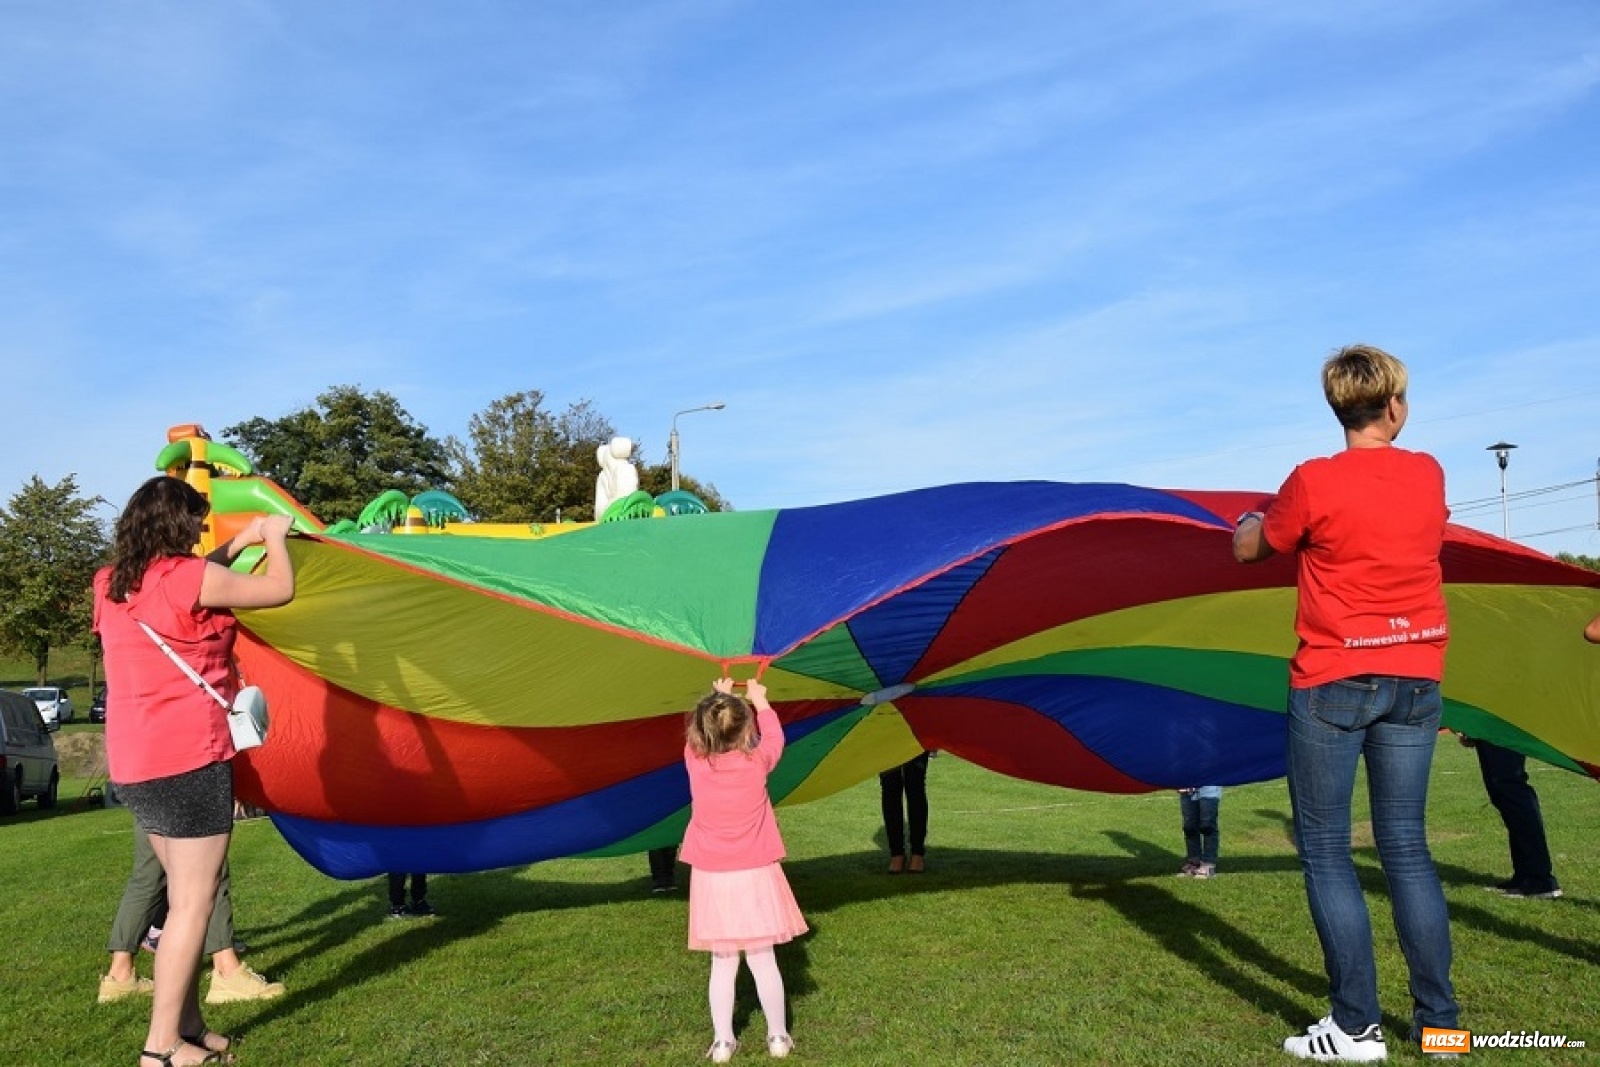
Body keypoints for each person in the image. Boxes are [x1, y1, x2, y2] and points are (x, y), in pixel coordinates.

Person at [1234, 344, 1458, 1063]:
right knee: (1408, 849)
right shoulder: (1428, 473)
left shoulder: (1311, 481)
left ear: (1337, 409)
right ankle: (1441, 1027)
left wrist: (1248, 519)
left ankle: (1357, 1027)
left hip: (1334, 680)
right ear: (1395, 406)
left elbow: (1252, 548)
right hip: (1417, 678)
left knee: (1328, 852)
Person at [94, 477, 295, 1067]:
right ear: (178, 526)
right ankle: (161, 1049)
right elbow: (278, 589)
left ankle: (189, 1025)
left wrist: (238, 542)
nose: (201, 533)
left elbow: (184, 581)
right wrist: (275, 537)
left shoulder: (108, 584)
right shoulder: (186, 579)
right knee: (192, 902)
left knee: (184, 895)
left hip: (134, 764)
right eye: (196, 524)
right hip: (189, 758)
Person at [680, 677, 806, 1063]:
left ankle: (723, 1042)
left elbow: (699, 736)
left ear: (699, 731)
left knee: (723, 961)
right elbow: (775, 739)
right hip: (754, 873)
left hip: (713, 876)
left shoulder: (696, 764)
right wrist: (760, 701)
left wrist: (721, 696)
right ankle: (778, 1037)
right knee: (762, 958)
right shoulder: (757, 763)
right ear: (747, 728)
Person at [100, 825, 286, 1011]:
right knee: (210, 867)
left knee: (148, 876)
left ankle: (119, 976)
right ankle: (227, 971)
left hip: (148, 799)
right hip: (187, 798)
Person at [1463, 738, 1561, 899]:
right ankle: (1524, 876)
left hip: (1500, 723)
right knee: (1501, 791)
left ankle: (1539, 880)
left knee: (1510, 788)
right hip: (1491, 724)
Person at [879, 751, 931, 873]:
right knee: (890, 786)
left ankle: (917, 854)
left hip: (916, 735)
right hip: (884, 735)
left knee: (915, 785)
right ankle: (896, 854)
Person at [1175, 786, 1222, 879]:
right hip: (1187, 786)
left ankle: (1209, 865)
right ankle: (1194, 862)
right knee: (1189, 827)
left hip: (1209, 785)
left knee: (1207, 825)